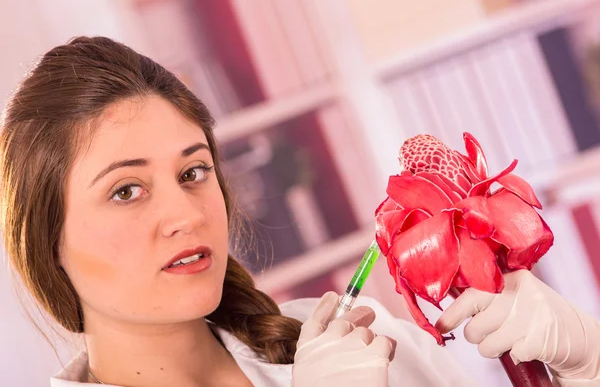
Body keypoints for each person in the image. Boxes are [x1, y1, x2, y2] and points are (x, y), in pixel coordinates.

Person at [0, 36, 597, 387]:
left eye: (193, 172)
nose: (184, 213)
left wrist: (582, 366)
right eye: (126, 190)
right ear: (47, 241)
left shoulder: (362, 342)